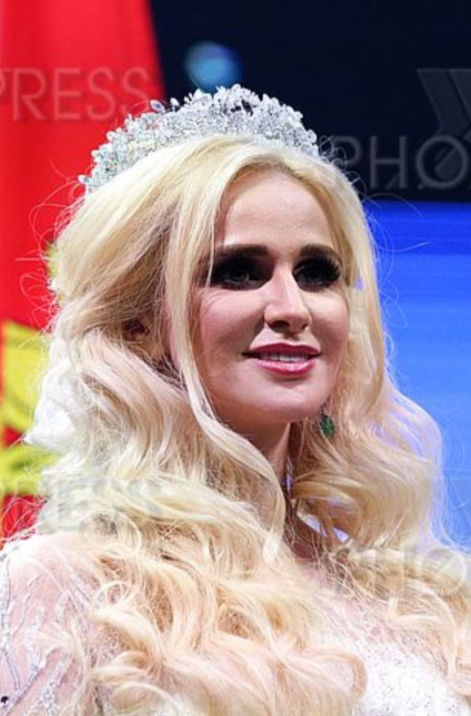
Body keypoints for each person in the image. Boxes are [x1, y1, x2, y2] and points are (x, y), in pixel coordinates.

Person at [1, 84, 470, 716]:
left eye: (317, 273)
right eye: (238, 271)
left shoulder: (423, 597)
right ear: (139, 323)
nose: (291, 308)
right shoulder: (67, 586)